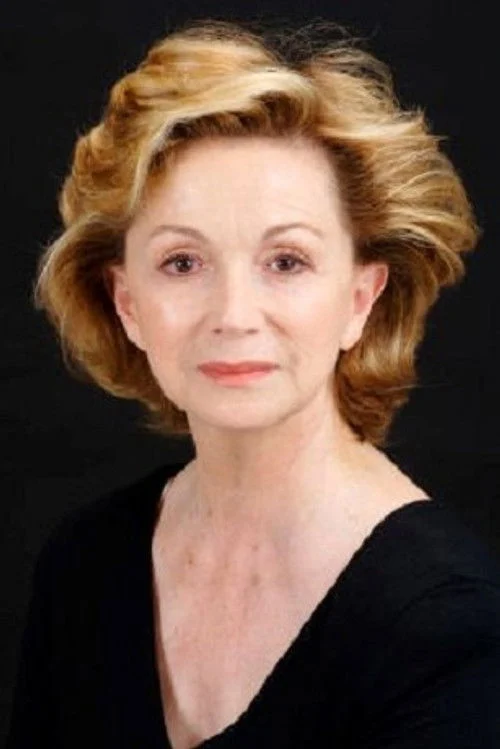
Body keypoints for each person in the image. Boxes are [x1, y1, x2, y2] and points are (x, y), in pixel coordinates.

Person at [7, 17, 500, 749]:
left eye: (286, 261)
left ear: (359, 299)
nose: (234, 316)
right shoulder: (84, 563)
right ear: (127, 303)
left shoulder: (446, 620)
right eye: (182, 263)